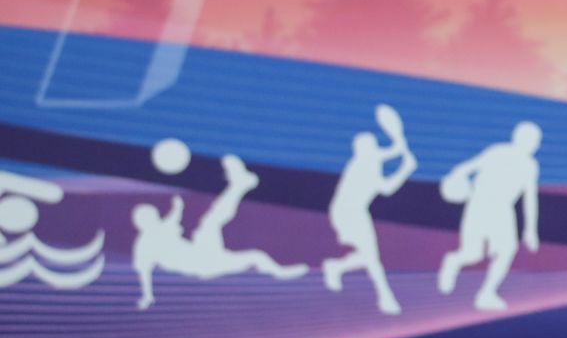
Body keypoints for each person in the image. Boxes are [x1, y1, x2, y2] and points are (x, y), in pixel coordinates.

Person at [132, 156, 307, 310]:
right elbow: (144, 272)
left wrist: (177, 207)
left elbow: (172, 217)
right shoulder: (145, 245)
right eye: (148, 218)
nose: (154, 219)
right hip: (202, 263)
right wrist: (147, 297)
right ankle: (239, 185)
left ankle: (278, 271)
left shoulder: (162, 228)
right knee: (209, 224)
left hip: (205, 254)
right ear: (141, 223)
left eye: (154, 216)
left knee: (255, 255)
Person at [436, 122, 543, 312]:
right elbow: (469, 166)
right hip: (480, 203)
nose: (535, 144)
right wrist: (455, 179)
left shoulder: (530, 166)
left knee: (506, 250)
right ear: (519, 138)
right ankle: (453, 261)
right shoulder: (498, 152)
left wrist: (530, 230)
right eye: (532, 140)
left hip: (502, 210)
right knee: (472, 253)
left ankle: (486, 294)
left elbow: (530, 199)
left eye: (536, 141)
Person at [322, 105, 417, 315]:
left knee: (369, 257)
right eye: (370, 146)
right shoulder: (364, 163)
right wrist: (405, 168)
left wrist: (400, 149)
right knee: (372, 259)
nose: (374, 149)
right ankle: (386, 298)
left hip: (350, 212)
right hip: (349, 212)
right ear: (362, 149)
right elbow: (387, 188)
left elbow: (394, 151)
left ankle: (336, 267)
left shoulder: (369, 160)